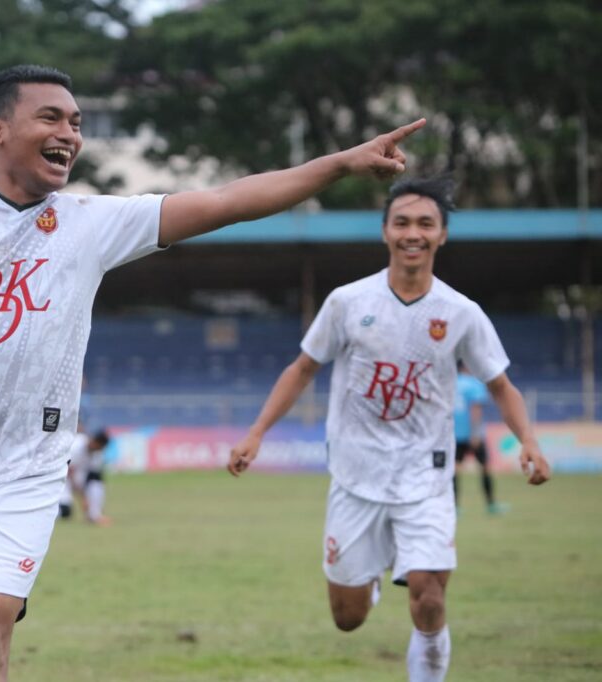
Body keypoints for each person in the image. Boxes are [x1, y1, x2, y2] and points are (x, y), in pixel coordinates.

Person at [0, 63, 424, 682]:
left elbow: (228, 199)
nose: (70, 134)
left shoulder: (93, 224)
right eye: (52, 118)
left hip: (26, 468)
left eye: (76, 123)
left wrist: (339, 163)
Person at [227, 176, 551, 682]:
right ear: (385, 232)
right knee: (348, 618)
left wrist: (528, 441)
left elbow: (501, 385)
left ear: (442, 235)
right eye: (401, 222)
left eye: (426, 223)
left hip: (426, 477)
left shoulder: (461, 313)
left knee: (428, 596)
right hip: (356, 478)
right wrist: (256, 433)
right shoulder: (347, 303)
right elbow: (302, 370)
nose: (412, 233)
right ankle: (369, 582)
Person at [454, 362, 508, 514]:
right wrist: (475, 434)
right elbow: (475, 409)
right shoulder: (474, 384)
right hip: (472, 433)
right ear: (468, 367)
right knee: (485, 467)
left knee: (454, 470)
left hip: (453, 434)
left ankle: (454, 506)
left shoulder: (451, 382)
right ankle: (491, 504)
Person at [70, 429, 111, 525]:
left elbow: (93, 476)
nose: (99, 450)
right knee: (65, 510)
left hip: (79, 475)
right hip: (63, 477)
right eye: (99, 447)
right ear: (94, 441)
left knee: (96, 480)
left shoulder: (97, 454)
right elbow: (69, 472)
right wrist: (83, 498)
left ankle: (94, 515)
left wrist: (89, 501)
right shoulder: (76, 445)